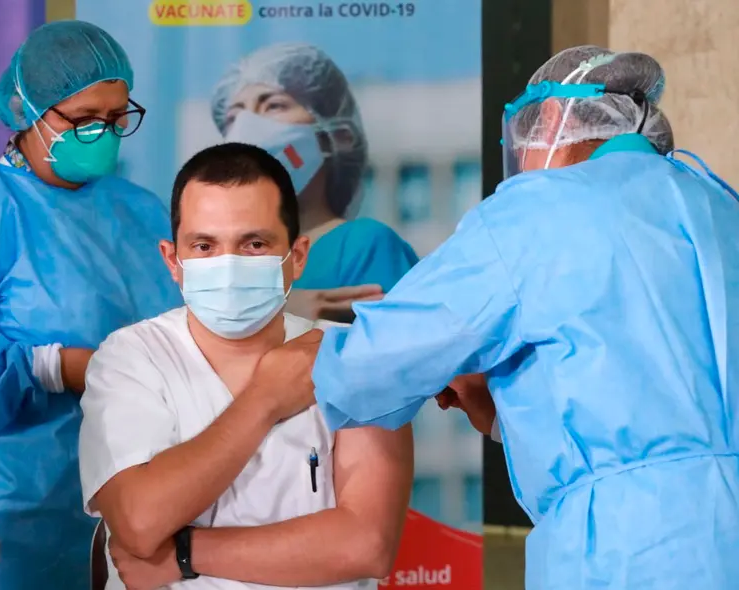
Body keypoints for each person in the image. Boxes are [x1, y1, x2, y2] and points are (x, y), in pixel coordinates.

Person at [265, 46, 739, 589]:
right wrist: (504, 414)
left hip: (631, 550)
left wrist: (301, 362)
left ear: (556, 118)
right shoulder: (719, 207)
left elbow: (375, 363)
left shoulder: (537, 210)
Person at [0, 20, 182, 590]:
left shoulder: (144, 211)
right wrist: (57, 366)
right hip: (4, 511)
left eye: (116, 117)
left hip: (136, 502)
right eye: (83, 120)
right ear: (29, 110)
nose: (103, 132)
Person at [78, 142, 413, 590]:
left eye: (254, 243)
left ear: (296, 256)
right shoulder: (130, 359)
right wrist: (265, 400)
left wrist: (184, 554)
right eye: (204, 245)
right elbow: (139, 522)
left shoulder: (352, 357)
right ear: (172, 260)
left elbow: (366, 545)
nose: (228, 266)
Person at [211, 43, 419, 321]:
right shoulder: (228, 263)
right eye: (234, 116)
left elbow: (397, 352)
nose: (246, 128)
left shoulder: (363, 246)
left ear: (336, 136)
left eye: (273, 105)